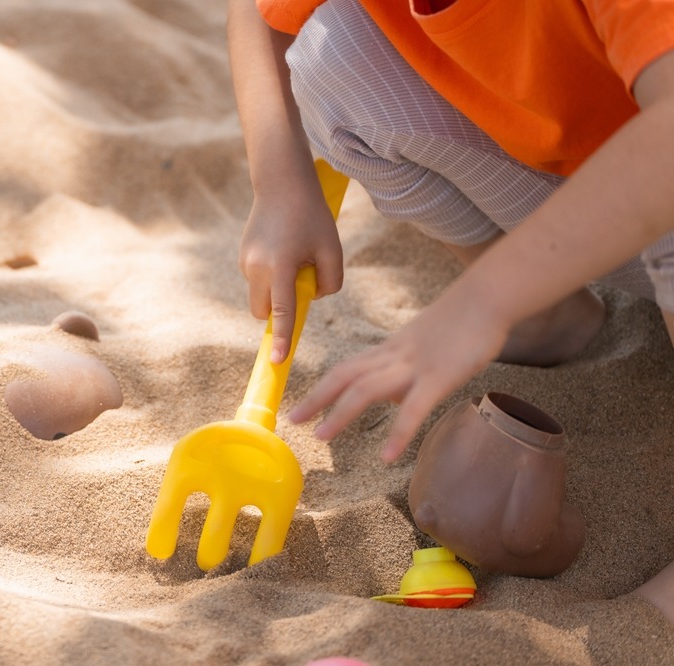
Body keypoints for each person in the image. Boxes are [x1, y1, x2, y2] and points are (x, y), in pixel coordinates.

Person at [226, 0, 674, 621]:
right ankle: (546, 315)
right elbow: (256, 12)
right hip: (600, 195)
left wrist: (482, 302)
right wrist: (280, 182)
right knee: (338, 52)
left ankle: (519, 296)